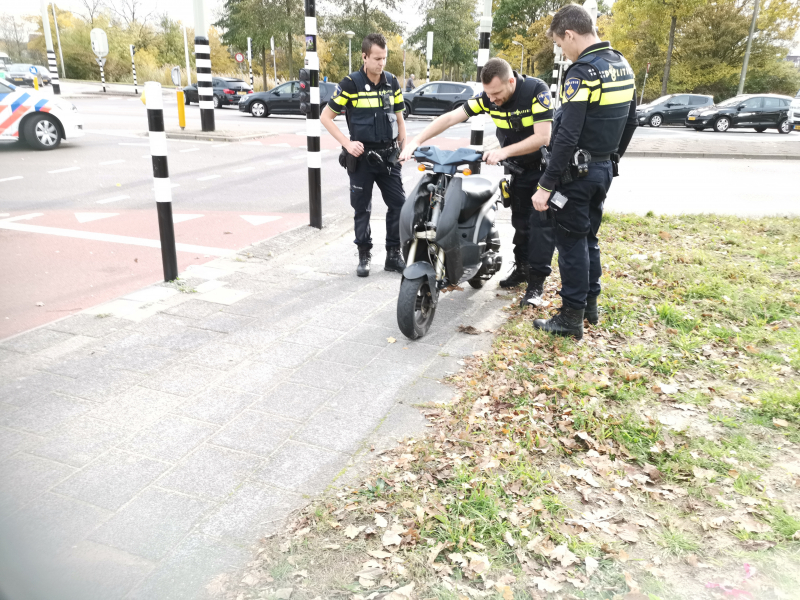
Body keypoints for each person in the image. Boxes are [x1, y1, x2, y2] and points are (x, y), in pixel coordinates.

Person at [400, 57, 553, 294]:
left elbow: (543, 137)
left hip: (543, 170)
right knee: (521, 223)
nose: (492, 99)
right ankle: (523, 269)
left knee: (540, 228)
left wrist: (503, 152)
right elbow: (451, 117)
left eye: (497, 93)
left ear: (511, 81)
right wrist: (416, 141)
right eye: (488, 94)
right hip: (519, 169)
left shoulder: (536, 91)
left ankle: (536, 285)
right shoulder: (488, 98)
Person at [530, 4, 638, 339]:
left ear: (570, 34)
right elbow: (631, 121)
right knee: (589, 237)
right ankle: (590, 305)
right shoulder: (622, 65)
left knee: (571, 242)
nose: (562, 53)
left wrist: (546, 185)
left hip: (576, 176)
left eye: (560, 45)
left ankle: (571, 317)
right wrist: (610, 158)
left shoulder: (582, 73)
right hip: (602, 169)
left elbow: (567, 135)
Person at [321, 33, 408, 277]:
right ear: (364, 57)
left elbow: (400, 120)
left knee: (399, 204)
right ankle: (364, 254)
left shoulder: (392, 82)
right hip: (362, 158)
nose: (382, 63)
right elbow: (325, 117)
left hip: (388, 156)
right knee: (362, 208)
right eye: (377, 58)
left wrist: (403, 149)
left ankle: (393, 255)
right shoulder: (351, 84)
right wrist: (347, 144)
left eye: (384, 58)